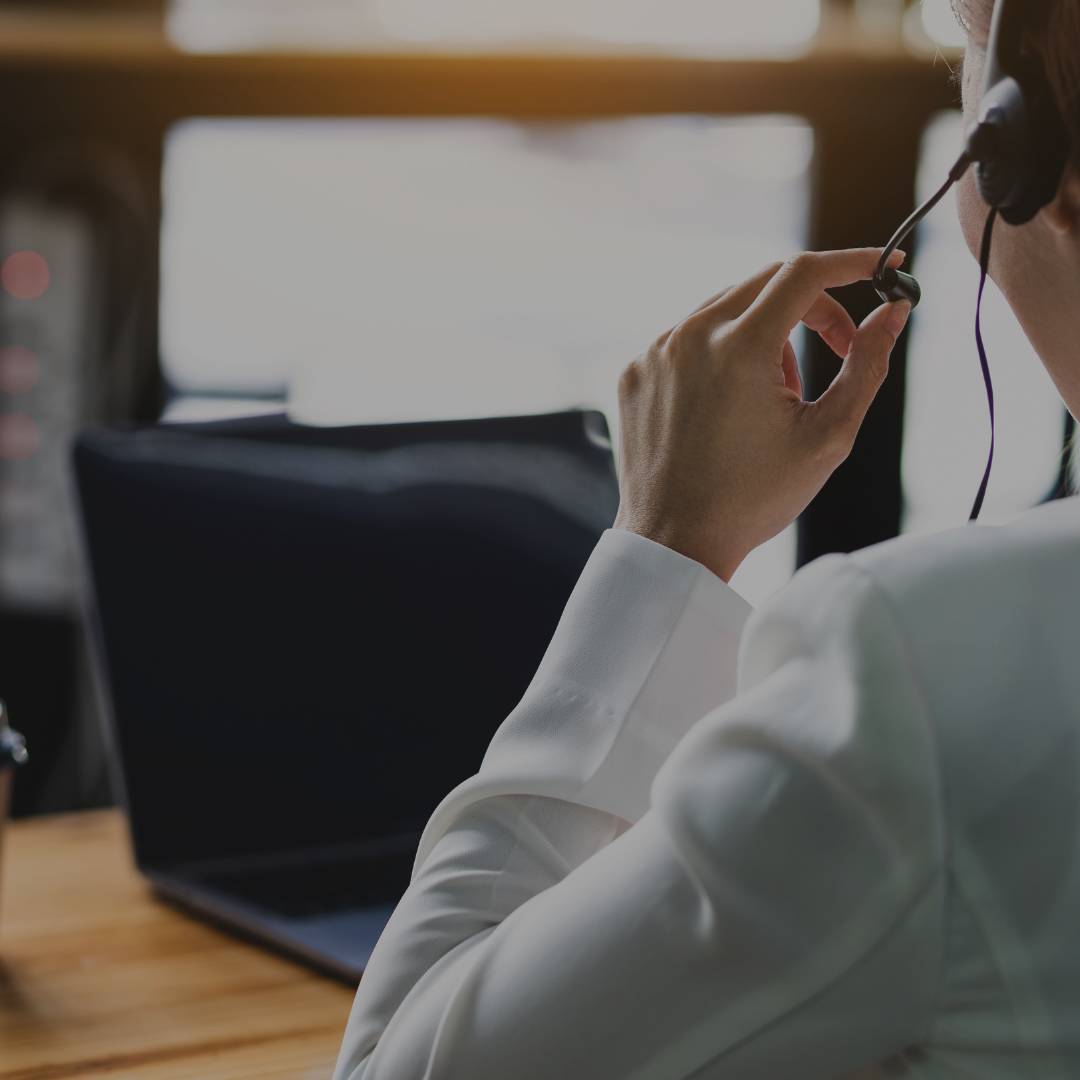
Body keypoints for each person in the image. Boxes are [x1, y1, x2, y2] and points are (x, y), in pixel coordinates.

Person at [332, 1, 1080, 1076]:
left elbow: (398, 1069)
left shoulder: (919, 677)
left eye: (964, 49)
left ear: (1032, 154)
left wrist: (663, 549)